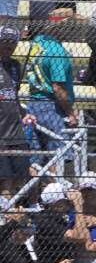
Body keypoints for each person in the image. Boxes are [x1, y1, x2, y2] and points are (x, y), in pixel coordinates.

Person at [21, 17, 74, 167]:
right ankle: (55, 188)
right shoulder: (57, 51)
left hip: (33, 103)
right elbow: (58, 88)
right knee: (56, 157)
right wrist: (70, 113)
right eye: (70, 28)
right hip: (52, 107)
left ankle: (35, 189)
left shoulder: (38, 43)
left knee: (36, 158)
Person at [0, 26, 26, 200]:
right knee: (5, 178)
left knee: (22, 175)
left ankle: (14, 210)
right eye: (5, 43)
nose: (9, 47)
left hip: (15, 129)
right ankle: (6, 214)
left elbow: (14, 95)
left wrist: (24, 113)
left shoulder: (16, 66)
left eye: (12, 43)